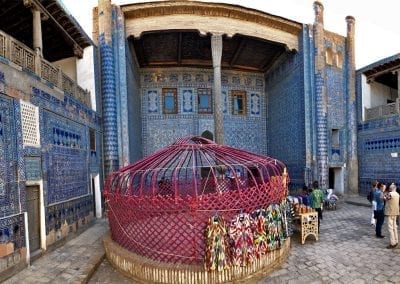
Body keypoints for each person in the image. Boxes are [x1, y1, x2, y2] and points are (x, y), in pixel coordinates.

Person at [384, 183, 399, 248]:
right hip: (396, 212)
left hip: (390, 212)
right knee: (395, 227)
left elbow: (385, 198)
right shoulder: (398, 194)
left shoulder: (390, 194)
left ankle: (392, 243)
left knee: (390, 228)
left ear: (391, 188)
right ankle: (396, 240)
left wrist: (384, 192)